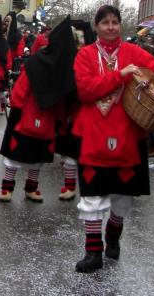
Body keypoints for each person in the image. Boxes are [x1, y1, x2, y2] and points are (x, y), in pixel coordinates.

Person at [72, 5, 154, 273]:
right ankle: (93, 251)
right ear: (96, 26)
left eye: (115, 22)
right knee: (93, 196)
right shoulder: (84, 55)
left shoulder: (134, 53)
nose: (111, 27)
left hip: (128, 133)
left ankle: (113, 234)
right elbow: (85, 91)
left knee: (123, 198)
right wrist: (119, 76)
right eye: (105, 22)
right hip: (94, 133)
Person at [0, 17, 77, 204]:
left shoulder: (62, 68)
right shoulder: (37, 61)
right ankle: (7, 187)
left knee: (38, 157)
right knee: (15, 154)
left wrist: (60, 118)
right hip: (27, 112)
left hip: (48, 117)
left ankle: (31, 188)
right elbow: (22, 86)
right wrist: (17, 106)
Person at [54, 20, 96, 201]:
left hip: (90, 112)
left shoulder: (94, 58)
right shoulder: (68, 58)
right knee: (70, 153)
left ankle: (91, 190)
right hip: (72, 112)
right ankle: (69, 187)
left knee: (90, 154)